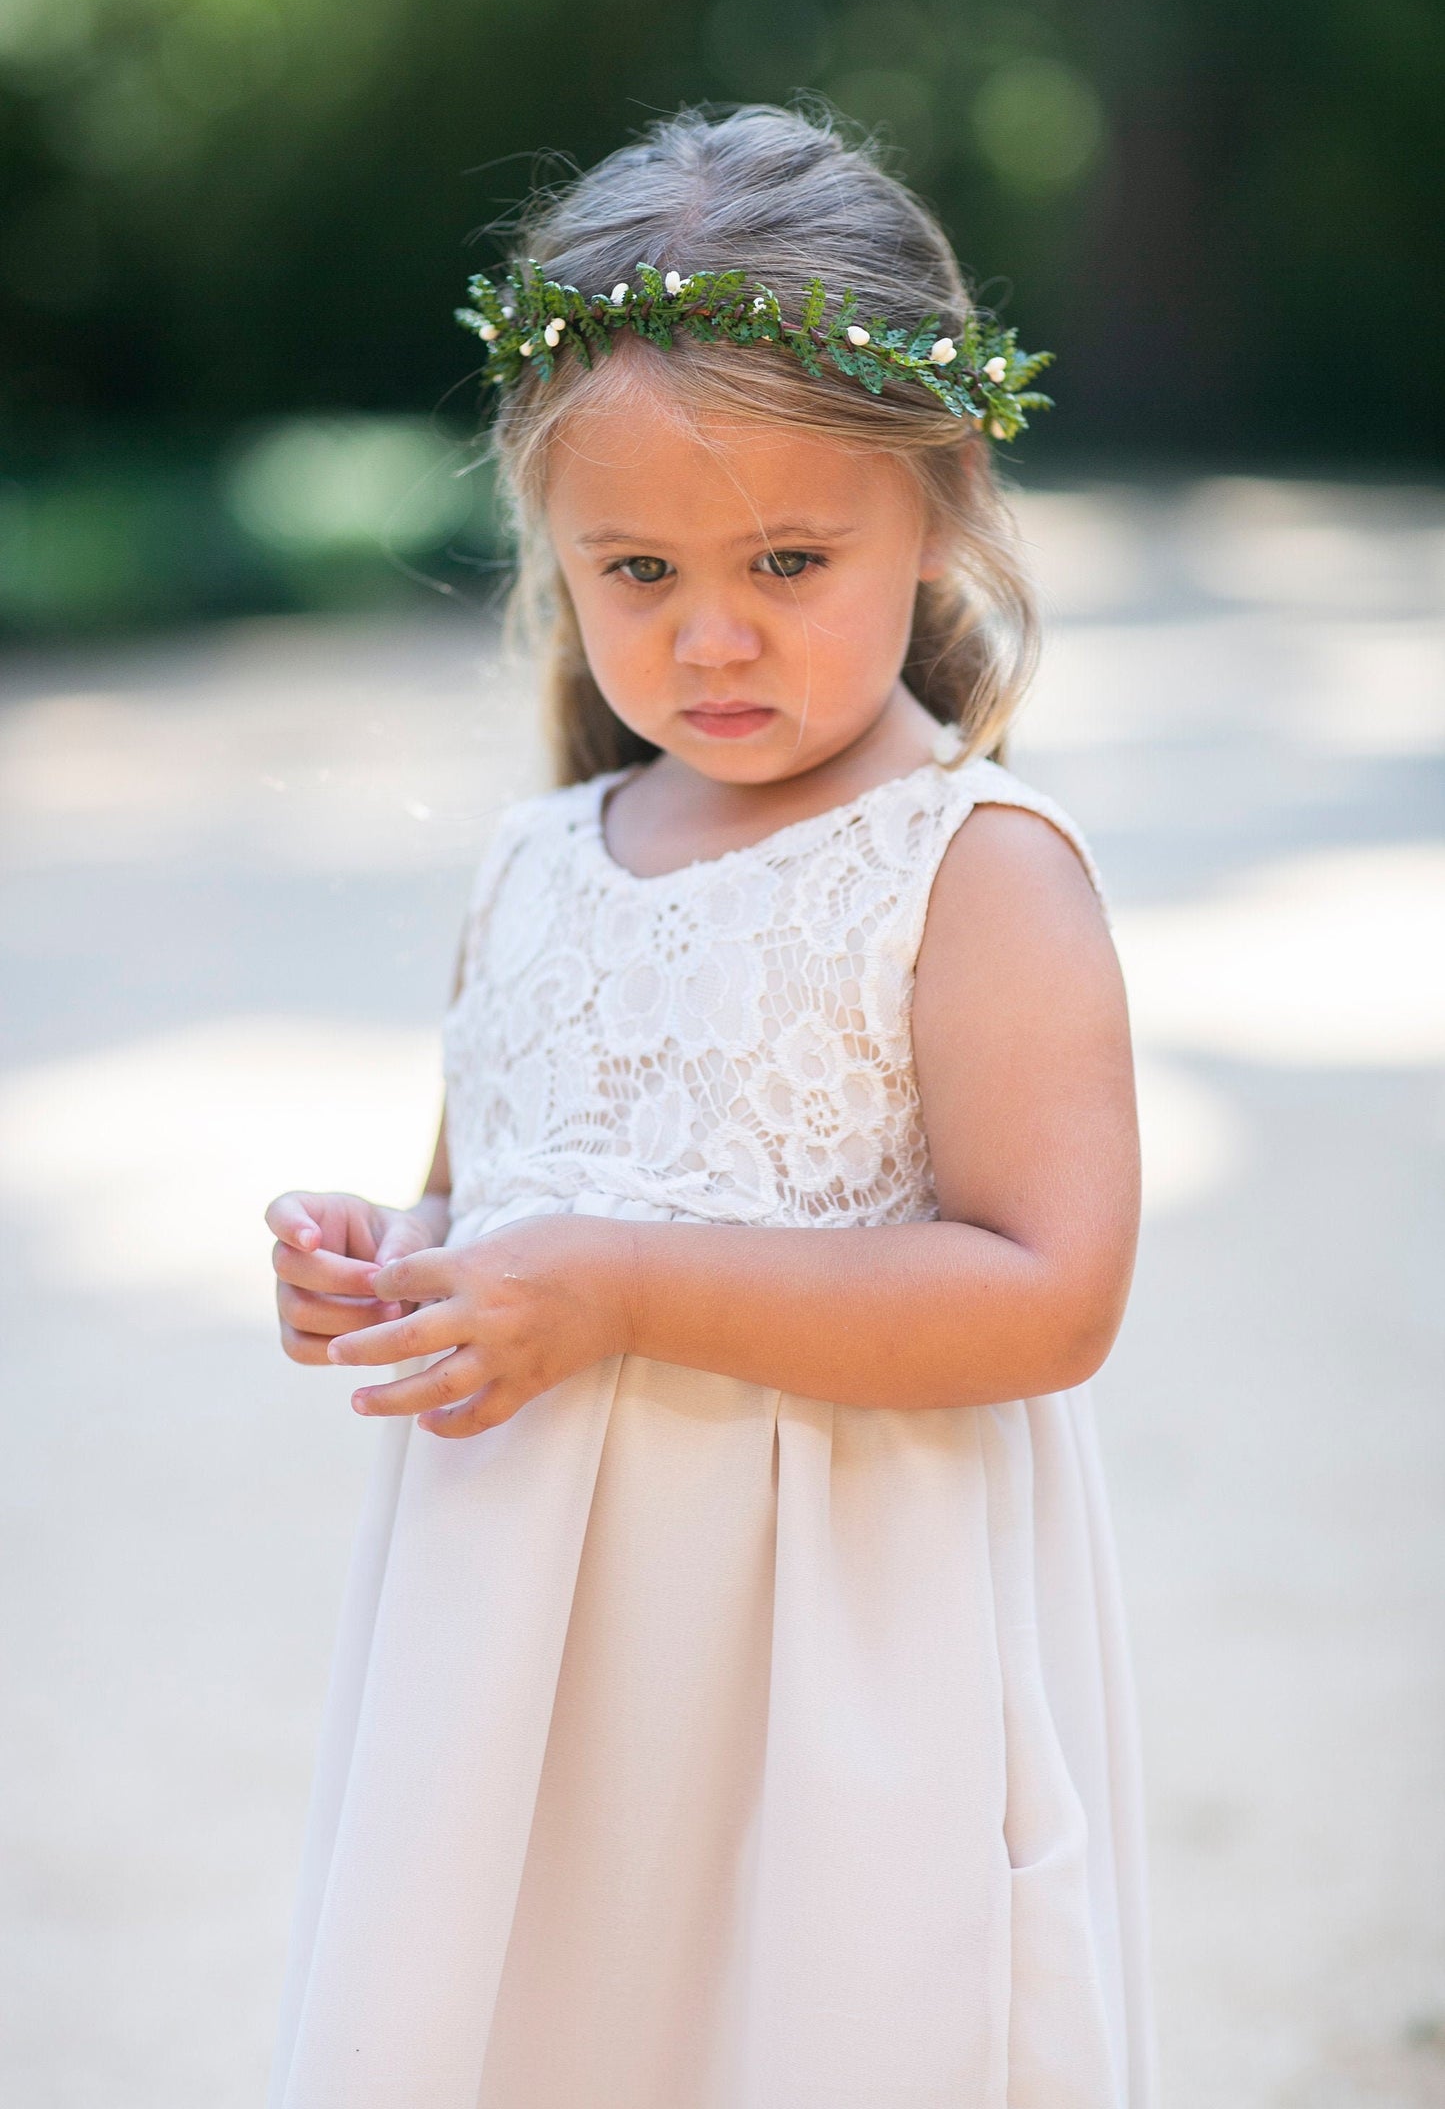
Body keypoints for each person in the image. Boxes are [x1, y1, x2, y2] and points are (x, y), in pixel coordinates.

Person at [264, 104, 1155, 2109]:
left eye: (786, 560)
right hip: (536, 1671)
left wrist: (629, 1289)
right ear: (553, 549)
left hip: (837, 1675)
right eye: (639, 567)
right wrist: (390, 1260)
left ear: (941, 511)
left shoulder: (971, 868)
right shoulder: (540, 859)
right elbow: (497, 1203)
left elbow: (1052, 1292)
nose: (711, 629)